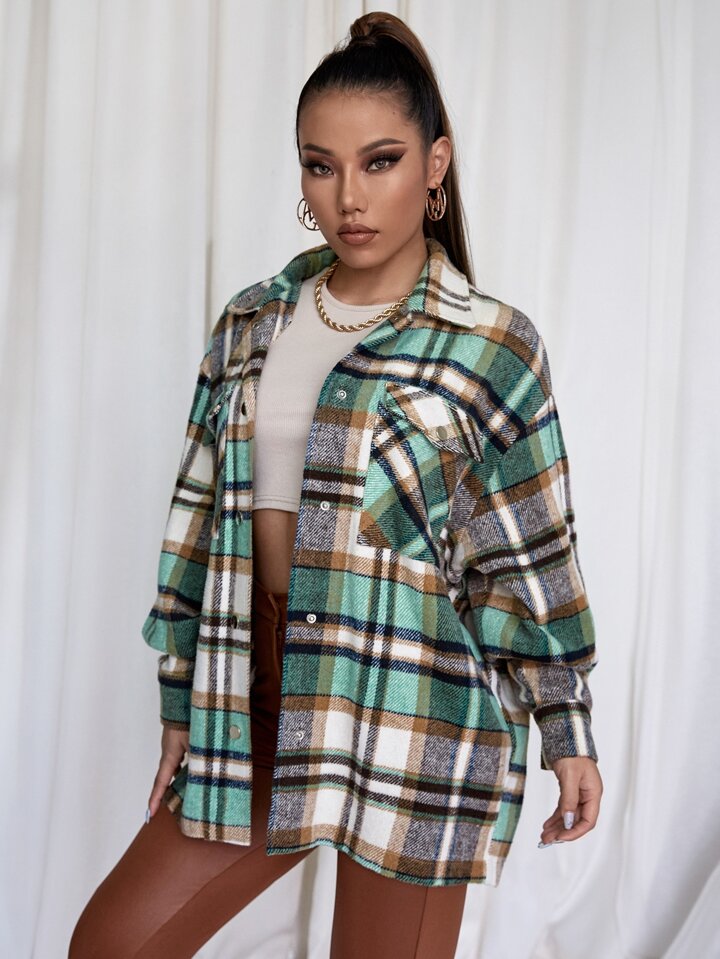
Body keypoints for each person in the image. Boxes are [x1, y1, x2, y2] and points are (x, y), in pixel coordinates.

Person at [69, 10, 603, 959]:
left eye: (380, 161)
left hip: (415, 705)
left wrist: (567, 731)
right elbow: (196, 526)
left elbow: (527, 560)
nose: (348, 197)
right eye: (321, 166)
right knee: (112, 942)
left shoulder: (492, 345)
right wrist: (181, 703)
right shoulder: (251, 323)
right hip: (258, 697)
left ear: (435, 165)